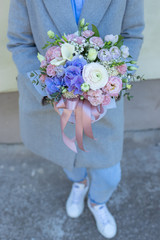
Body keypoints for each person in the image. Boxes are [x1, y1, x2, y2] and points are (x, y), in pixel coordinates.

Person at [7, 0, 144, 238]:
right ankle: (79, 183)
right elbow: (20, 43)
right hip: (53, 104)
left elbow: (132, 34)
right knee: (64, 155)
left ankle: (97, 202)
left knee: (110, 173)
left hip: (104, 105)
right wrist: (53, 94)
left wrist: (110, 87)